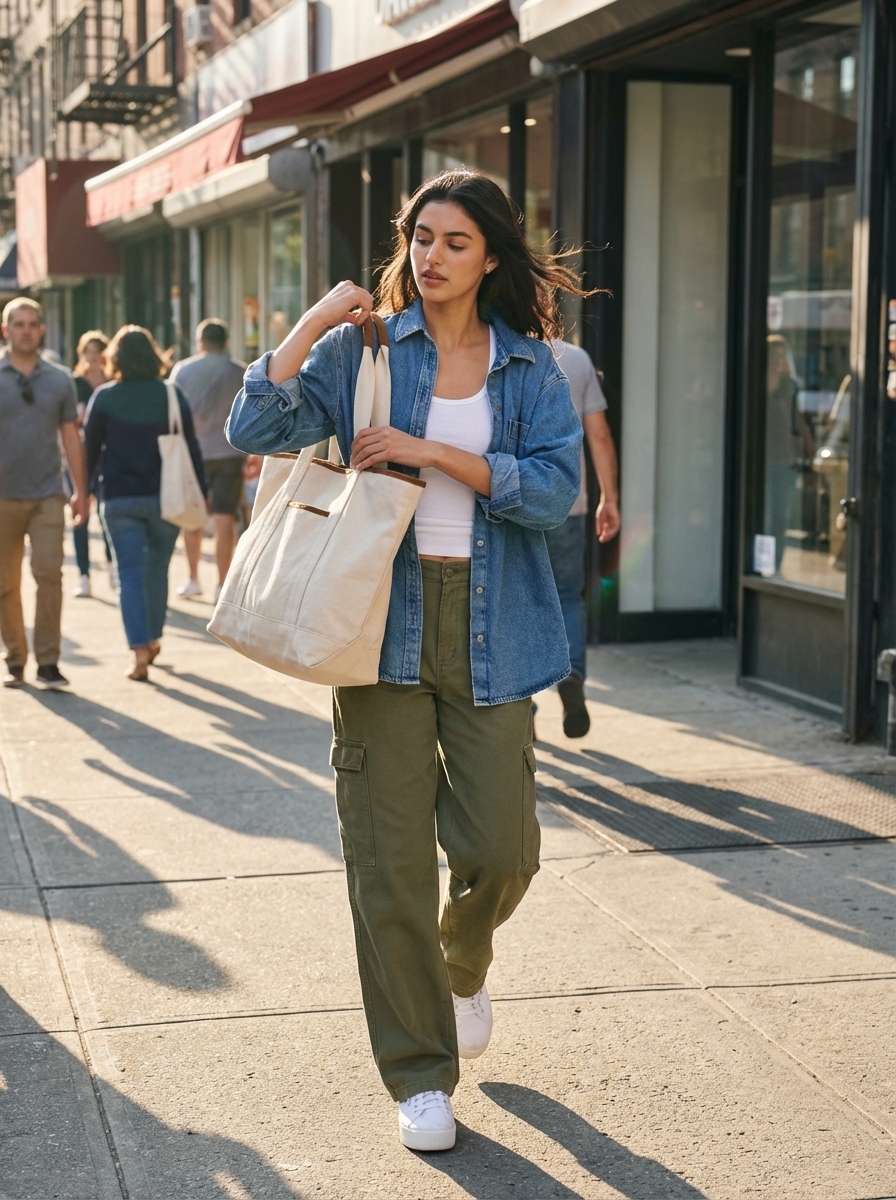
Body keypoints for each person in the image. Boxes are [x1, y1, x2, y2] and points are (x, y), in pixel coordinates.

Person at [227, 169, 585, 1153]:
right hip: (376, 621)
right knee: (386, 864)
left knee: (502, 850)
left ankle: (459, 963)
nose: (430, 256)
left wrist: (440, 455)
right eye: (418, 237)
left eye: (454, 241)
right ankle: (420, 1074)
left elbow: (553, 492)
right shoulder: (363, 350)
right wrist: (311, 323)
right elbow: (250, 427)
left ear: (491, 257)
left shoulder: (527, 368)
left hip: (496, 621)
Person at [84, 326, 205, 681]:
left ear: (114, 359)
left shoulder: (104, 397)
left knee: (130, 575)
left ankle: (138, 649)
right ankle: (152, 639)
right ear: (154, 356)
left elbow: (90, 452)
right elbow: (191, 447)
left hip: (119, 499)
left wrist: (84, 491)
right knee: (158, 572)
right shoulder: (171, 394)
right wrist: (202, 491)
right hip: (166, 499)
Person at [0, 298, 87, 690]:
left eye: (32, 324)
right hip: (2, 495)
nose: (25, 330)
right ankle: (16, 659)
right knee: (5, 582)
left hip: (49, 493)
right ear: (6, 330)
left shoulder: (59, 380)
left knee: (49, 574)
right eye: (18, 324)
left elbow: (70, 435)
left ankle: (48, 662)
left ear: (41, 330)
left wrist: (80, 490)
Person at [544, 340, 620, 738]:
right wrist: (609, 498)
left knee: (509, 604)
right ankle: (571, 673)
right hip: (568, 504)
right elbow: (600, 435)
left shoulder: (492, 347)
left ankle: (519, 707)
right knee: (567, 597)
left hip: (510, 499)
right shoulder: (575, 359)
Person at [169, 319, 247, 602]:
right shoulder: (240, 372)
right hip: (230, 452)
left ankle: (192, 578)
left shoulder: (183, 370)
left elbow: (173, 412)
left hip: (195, 452)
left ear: (200, 340)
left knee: (193, 514)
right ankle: (222, 583)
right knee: (225, 517)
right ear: (225, 342)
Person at [71, 330, 114, 598]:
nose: (94, 358)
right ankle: (84, 575)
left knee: (106, 514)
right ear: (82, 355)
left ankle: (112, 568)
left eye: (98, 352)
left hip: (106, 456)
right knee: (81, 514)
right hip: (77, 456)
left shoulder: (113, 383)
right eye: (89, 352)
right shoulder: (74, 383)